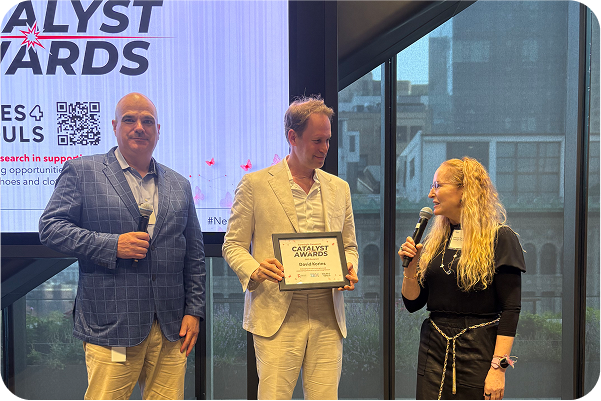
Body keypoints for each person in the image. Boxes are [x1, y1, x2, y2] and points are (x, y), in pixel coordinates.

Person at [39, 92, 206, 400]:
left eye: (147, 121)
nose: (139, 127)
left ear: (158, 130)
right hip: (111, 326)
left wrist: (194, 311)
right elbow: (51, 229)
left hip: (171, 328)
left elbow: (194, 255)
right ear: (115, 126)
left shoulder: (179, 184)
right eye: (129, 119)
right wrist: (112, 245)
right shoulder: (82, 171)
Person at [222, 95, 359, 400]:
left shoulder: (340, 188)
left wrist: (349, 267)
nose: (324, 148)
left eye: (328, 140)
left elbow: (349, 246)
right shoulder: (255, 184)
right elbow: (233, 245)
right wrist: (255, 269)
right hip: (276, 312)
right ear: (292, 137)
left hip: (327, 314)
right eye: (317, 140)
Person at [398, 157, 525, 401]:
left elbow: (511, 309)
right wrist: (410, 270)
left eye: (437, 186)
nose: (430, 194)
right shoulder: (436, 241)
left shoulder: (501, 237)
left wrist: (498, 369)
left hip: (478, 350)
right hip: (433, 348)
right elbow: (413, 303)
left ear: (464, 190)